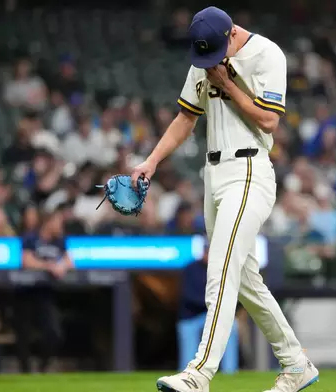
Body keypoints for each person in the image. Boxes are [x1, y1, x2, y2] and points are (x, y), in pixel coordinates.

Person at [130, 7, 318, 392]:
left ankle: (200, 373)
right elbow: (186, 117)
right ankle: (296, 363)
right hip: (213, 174)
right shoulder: (207, 52)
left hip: (249, 168)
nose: (210, 61)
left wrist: (229, 84)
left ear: (232, 33)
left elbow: (268, 121)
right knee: (247, 280)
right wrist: (152, 160)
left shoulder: (268, 55)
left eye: (216, 52)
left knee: (220, 269)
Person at [15, 209, 74, 373]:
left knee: (54, 333)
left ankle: (43, 368)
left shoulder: (59, 241)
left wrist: (61, 265)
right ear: (48, 222)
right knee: (23, 334)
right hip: (24, 293)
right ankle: (24, 372)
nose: (60, 225)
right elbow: (26, 260)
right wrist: (49, 266)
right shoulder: (31, 238)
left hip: (45, 294)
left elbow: (70, 260)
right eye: (57, 222)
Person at [178, 246, 239, 374]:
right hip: (193, 315)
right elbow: (188, 295)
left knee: (232, 326)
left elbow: (231, 292)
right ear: (203, 252)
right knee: (187, 333)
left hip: (215, 313)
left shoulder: (222, 269)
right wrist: (212, 304)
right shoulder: (191, 268)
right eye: (207, 252)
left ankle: (230, 372)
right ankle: (187, 373)